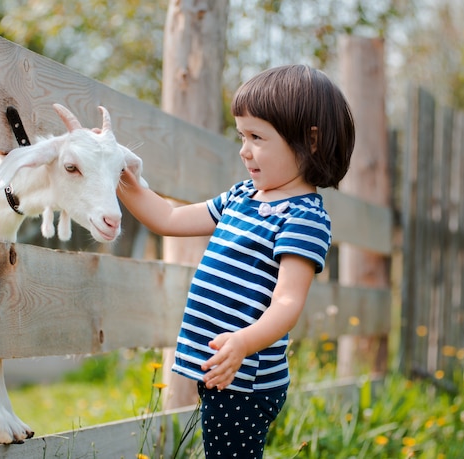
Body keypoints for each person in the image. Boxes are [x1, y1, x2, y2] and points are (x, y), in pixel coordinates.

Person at [117, 64, 354, 458]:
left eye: (257, 137)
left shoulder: (303, 218)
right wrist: (117, 174)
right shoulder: (241, 197)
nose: (244, 150)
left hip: (247, 377)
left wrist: (243, 343)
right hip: (224, 367)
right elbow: (169, 218)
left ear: (310, 141)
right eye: (242, 136)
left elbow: (288, 303)